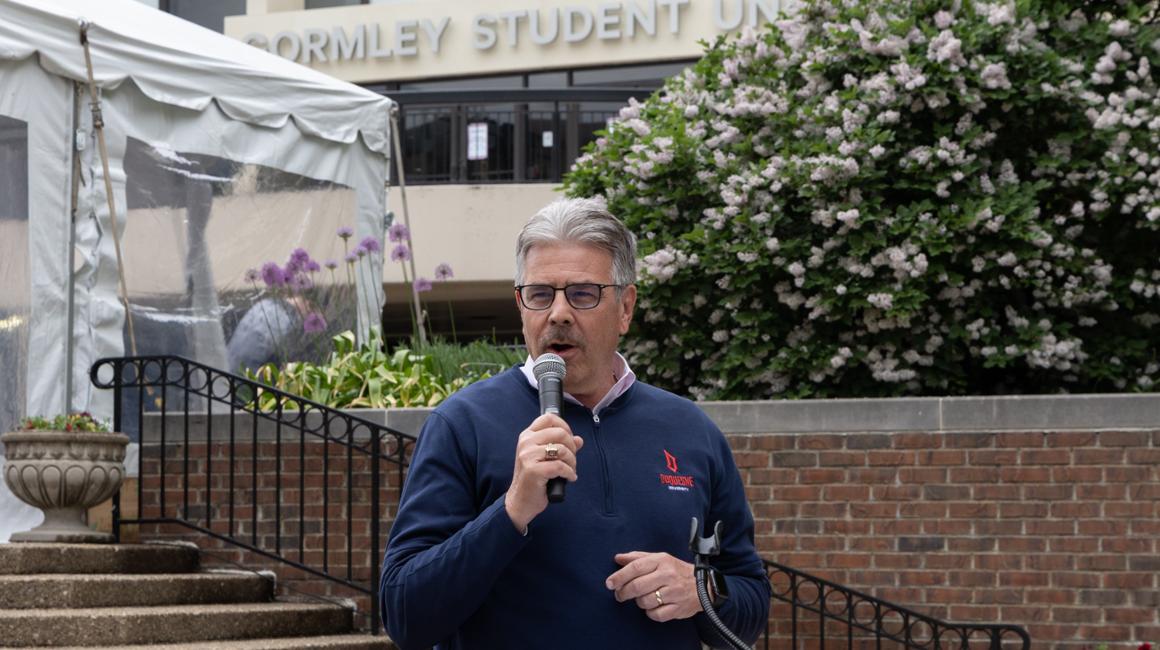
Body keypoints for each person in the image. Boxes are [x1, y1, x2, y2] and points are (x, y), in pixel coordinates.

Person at [380, 198, 771, 649]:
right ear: (521, 307)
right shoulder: (461, 423)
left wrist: (702, 590)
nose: (559, 313)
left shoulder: (690, 430)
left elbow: (750, 601)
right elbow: (405, 615)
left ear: (625, 307)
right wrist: (511, 511)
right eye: (541, 294)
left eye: (583, 294)